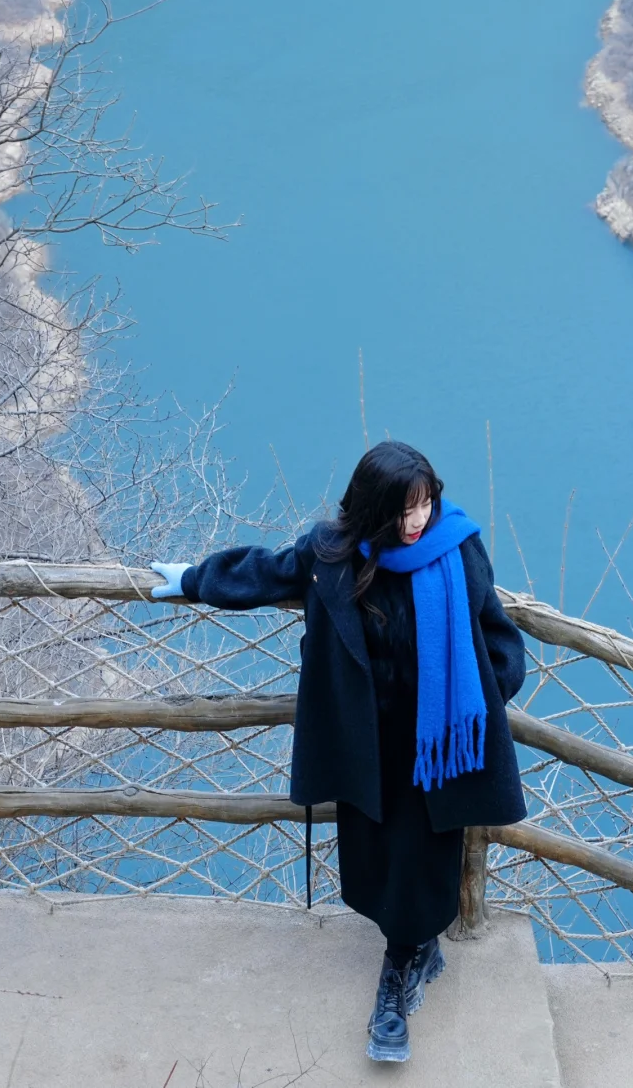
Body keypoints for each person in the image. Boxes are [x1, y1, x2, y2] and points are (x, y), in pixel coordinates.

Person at [149, 441, 527, 1064]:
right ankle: (413, 945)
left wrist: (478, 699)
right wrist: (193, 580)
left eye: (426, 503)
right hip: (364, 744)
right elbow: (267, 573)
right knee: (373, 853)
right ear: (374, 509)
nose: (418, 521)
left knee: (424, 856)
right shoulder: (333, 553)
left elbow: (498, 635)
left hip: (439, 749)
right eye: (405, 509)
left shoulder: (457, 548)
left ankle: (397, 978)